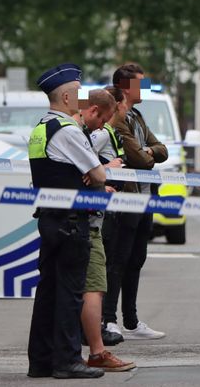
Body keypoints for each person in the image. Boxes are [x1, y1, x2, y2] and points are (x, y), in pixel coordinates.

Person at [26, 63, 105, 379]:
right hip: (72, 222)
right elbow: (98, 174)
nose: (82, 101)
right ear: (69, 97)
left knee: (47, 293)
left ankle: (41, 360)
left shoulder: (40, 129)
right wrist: (91, 172)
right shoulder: (68, 130)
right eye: (80, 94)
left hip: (49, 220)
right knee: (70, 293)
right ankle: (68, 360)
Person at [102, 63, 168, 340]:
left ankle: (131, 319)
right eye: (140, 83)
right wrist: (145, 154)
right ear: (125, 87)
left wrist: (147, 151)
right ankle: (109, 320)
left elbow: (160, 151)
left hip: (145, 198)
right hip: (125, 201)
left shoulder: (137, 116)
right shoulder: (116, 121)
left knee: (137, 259)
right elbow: (141, 160)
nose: (145, 87)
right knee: (118, 260)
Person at [76, 89, 135, 372]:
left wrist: (102, 182)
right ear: (95, 110)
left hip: (85, 217)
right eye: (104, 119)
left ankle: (79, 347)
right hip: (86, 221)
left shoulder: (66, 130)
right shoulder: (79, 133)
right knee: (95, 285)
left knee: (91, 283)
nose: (103, 125)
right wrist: (104, 172)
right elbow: (90, 173)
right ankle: (97, 350)